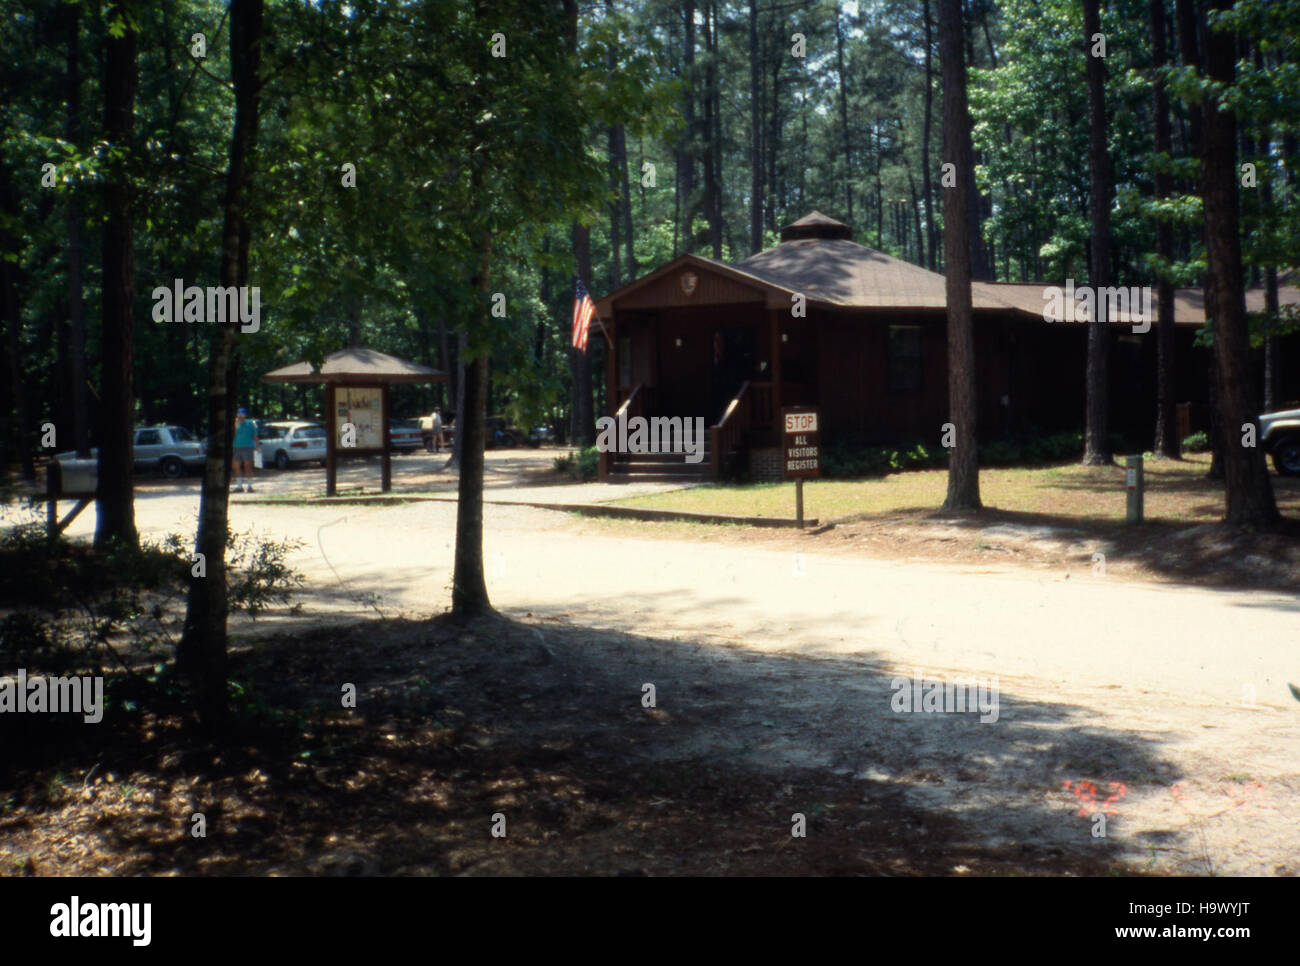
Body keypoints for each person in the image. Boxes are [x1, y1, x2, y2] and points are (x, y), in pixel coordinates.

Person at [232, 407, 259, 492]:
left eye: (242, 414)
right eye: (239, 414)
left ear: (245, 415)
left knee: (248, 466)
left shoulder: (250, 423)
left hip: (248, 447)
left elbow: (255, 435)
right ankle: (239, 487)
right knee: (236, 466)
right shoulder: (235, 424)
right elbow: (233, 435)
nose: (240, 416)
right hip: (236, 447)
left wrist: (258, 446)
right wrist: (235, 424)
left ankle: (250, 486)